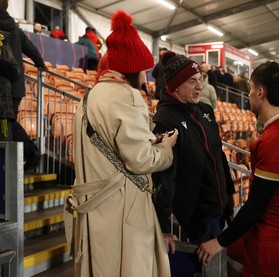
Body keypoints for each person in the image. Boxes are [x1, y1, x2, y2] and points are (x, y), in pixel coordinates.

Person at [66, 10, 178, 277]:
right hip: (122, 209)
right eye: (143, 70)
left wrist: (149, 141)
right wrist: (165, 148)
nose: (145, 79)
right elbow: (141, 160)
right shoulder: (127, 96)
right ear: (131, 68)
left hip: (93, 207)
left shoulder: (88, 97)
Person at [197, 61, 279, 277]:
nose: (248, 94)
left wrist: (219, 242)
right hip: (277, 228)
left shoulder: (276, 138)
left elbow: (257, 205)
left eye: (250, 89)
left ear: (260, 92)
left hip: (274, 236)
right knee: (233, 255)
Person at [152, 51, 235, 244]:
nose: (199, 86)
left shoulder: (204, 110)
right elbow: (164, 177)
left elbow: (218, 154)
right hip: (196, 215)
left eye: (200, 79)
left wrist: (229, 193)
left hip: (219, 204)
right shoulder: (165, 119)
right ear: (175, 86)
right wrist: (164, 228)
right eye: (191, 81)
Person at [0, 0, 46, 169]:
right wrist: (40, 63)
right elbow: (31, 48)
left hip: (3, 82)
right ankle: (27, 153)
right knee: (9, 121)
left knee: (7, 123)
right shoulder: (15, 29)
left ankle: (18, 160)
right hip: (16, 85)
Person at [0, 29, 20, 141]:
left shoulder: (5, 44)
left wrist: (8, 69)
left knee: (5, 142)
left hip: (5, 106)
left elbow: (17, 70)